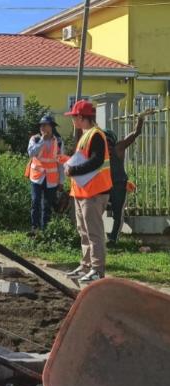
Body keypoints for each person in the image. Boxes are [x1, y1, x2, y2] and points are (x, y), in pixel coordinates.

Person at [64, 100, 113, 283]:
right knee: (83, 231)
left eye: (74, 117)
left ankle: (97, 269)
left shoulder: (96, 135)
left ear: (82, 117)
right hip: (83, 191)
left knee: (94, 232)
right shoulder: (86, 135)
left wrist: (73, 170)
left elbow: (96, 160)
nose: (72, 120)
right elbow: (86, 159)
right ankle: (86, 266)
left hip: (94, 192)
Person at [105, 108, 154, 244]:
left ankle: (113, 239)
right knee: (100, 209)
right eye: (104, 142)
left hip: (119, 184)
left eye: (107, 142)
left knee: (118, 213)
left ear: (112, 141)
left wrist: (141, 118)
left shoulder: (118, 148)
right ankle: (105, 236)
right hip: (104, 185)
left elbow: (135, 133)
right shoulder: (99, 151)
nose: (106, 146)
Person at [26, 114, 64, 233]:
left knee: (47, 205)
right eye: (41, 125)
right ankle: (34, 228)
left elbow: (61, 163)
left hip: (51, 179)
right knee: (35, 201)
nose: (42, 128)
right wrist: (42, 140)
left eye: (45, 125)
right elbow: (31, 153)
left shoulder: (58, 141)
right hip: (36, 177)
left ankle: (45, 230)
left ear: (51, 127)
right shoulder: (35, 139)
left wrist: (61, 181)